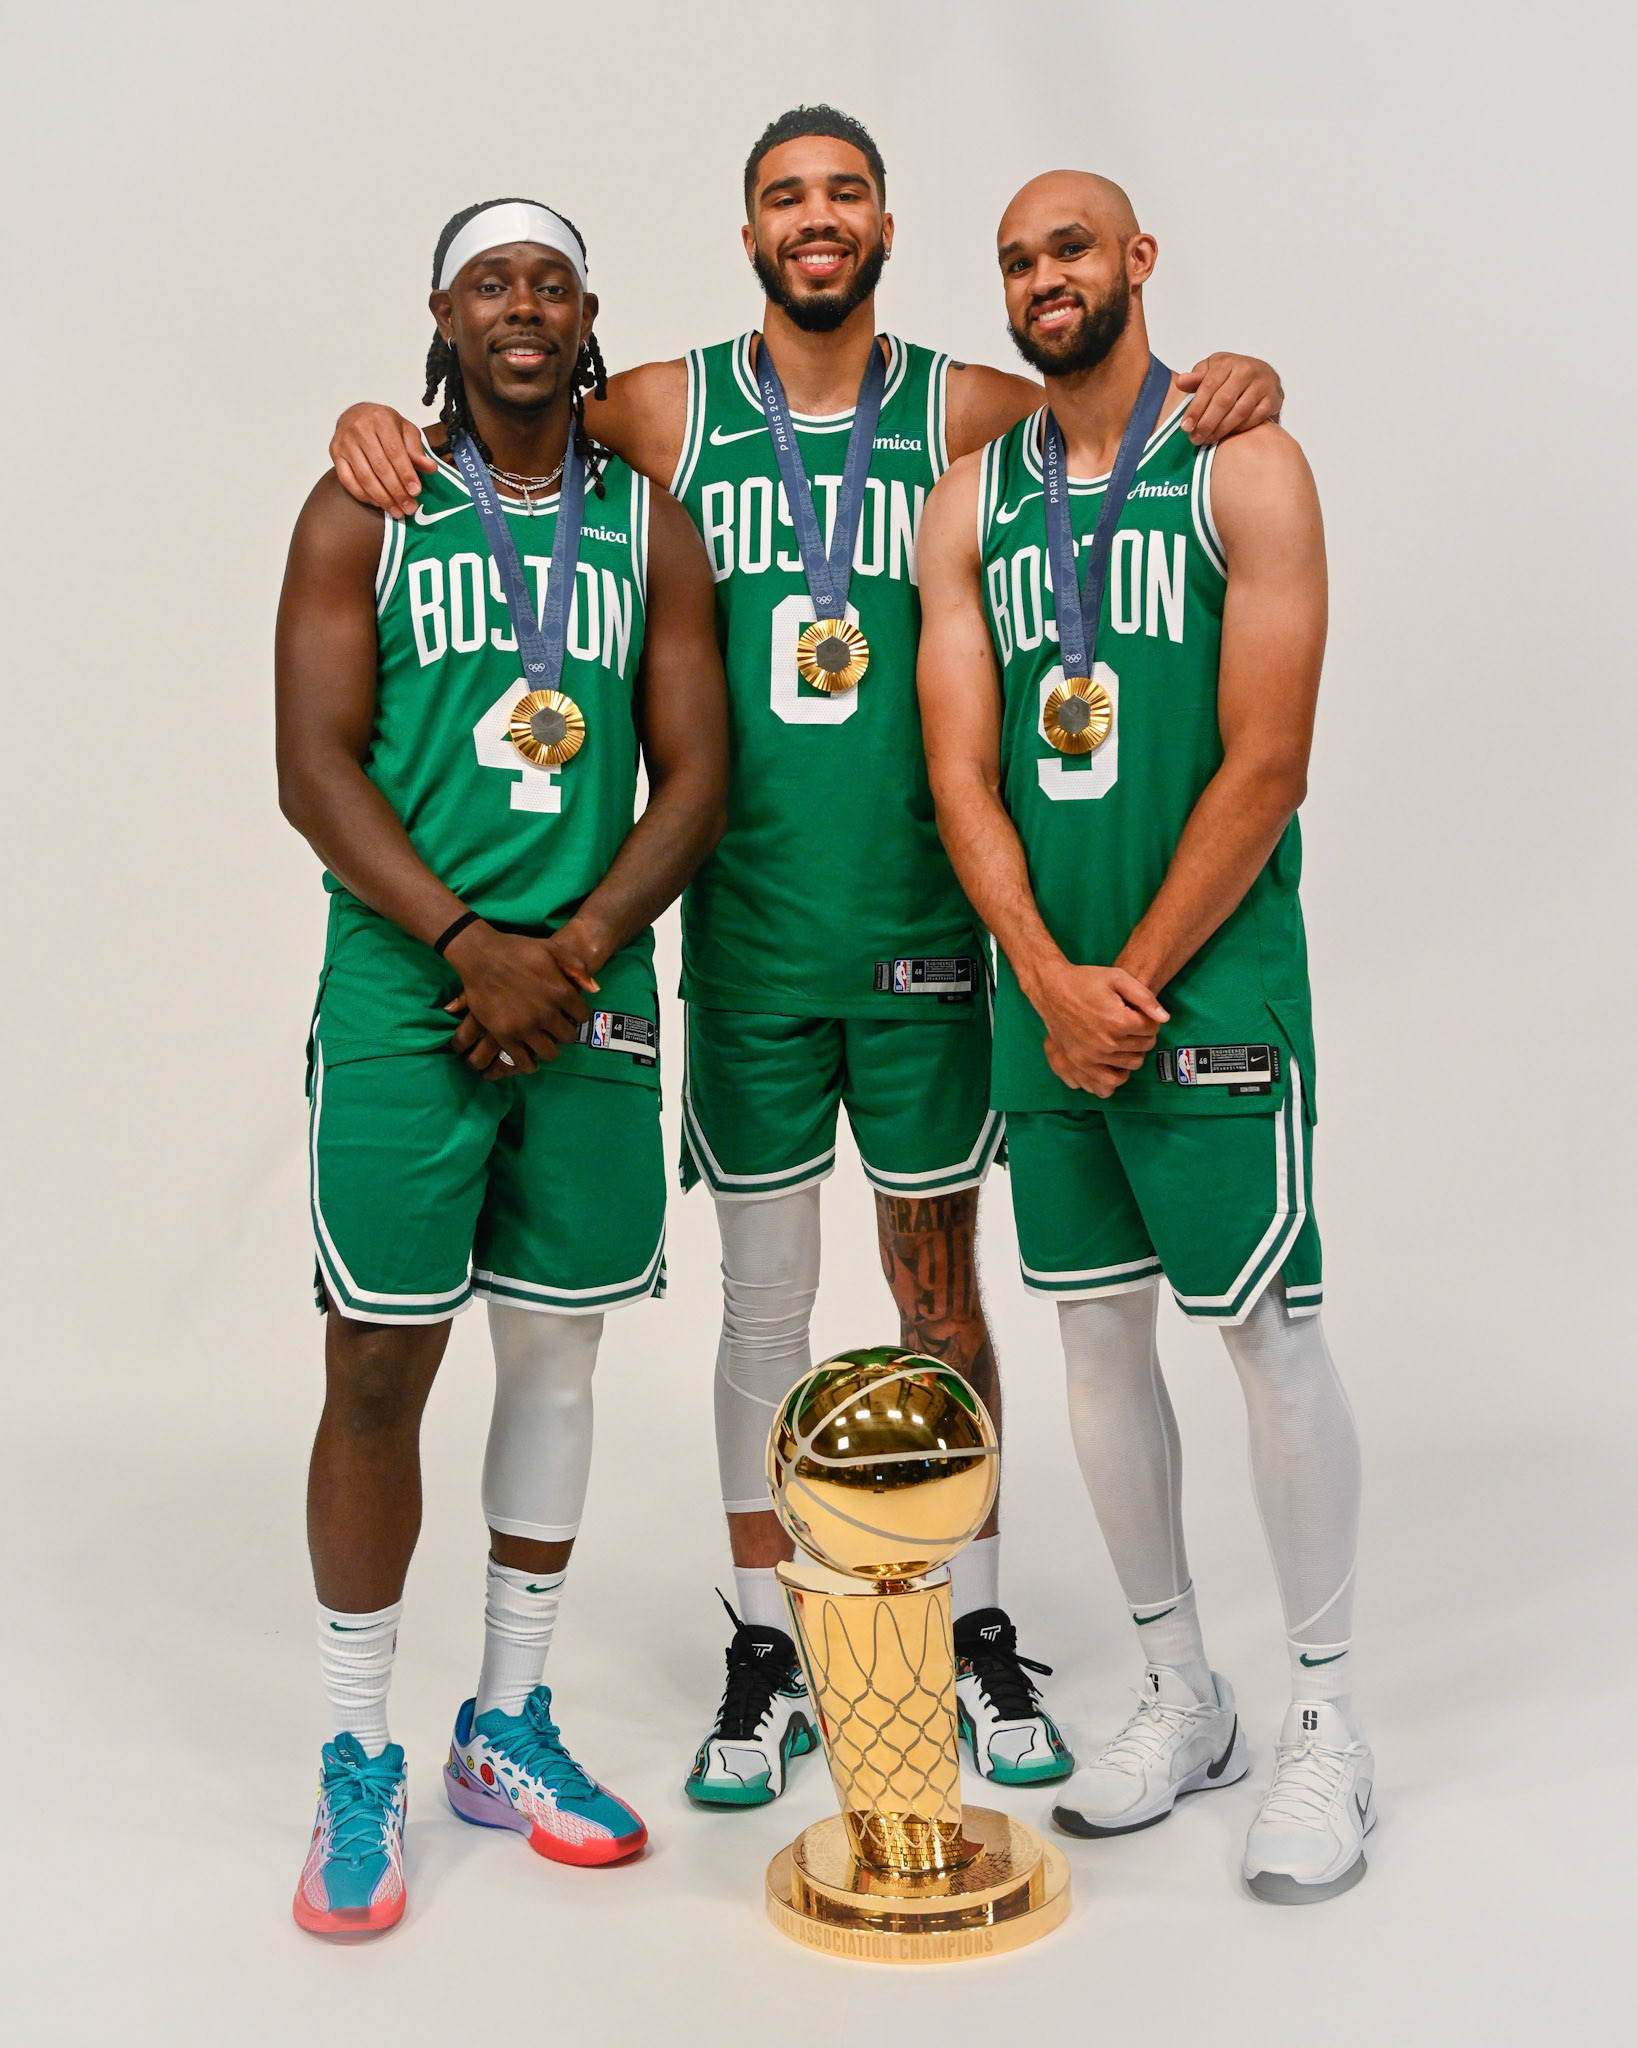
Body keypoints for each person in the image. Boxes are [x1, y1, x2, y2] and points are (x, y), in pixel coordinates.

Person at [327, 109, 1285, 1808]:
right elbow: (498, 414)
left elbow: (1114, 414)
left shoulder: (963, 412)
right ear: (749, 232)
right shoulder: (666, 410)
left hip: (929, 936)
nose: (816, 217)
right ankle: (769, 1645)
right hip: (746, 935)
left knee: (940, 1301)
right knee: (760, 1310)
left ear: (888, 228)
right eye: (786, 196)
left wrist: (1236, 383)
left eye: (845, 193)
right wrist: (375, 428)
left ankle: (968, 1626)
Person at [915, 171, 1372, 1904]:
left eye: (1072, 248)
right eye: (1018, 259)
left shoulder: (1241, 461)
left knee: (1265, 1332)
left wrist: (1131, 978)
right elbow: (959, 767)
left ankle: (1326, 1719)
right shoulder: (968, 504)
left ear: (1136, 263)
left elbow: (1269, 758)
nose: (1045, 277)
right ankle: (1183, 1691)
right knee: (1095, 1341)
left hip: (1208, 985)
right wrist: (1045, 974)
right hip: (1047, 997)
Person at [275, 198, 728, 1934]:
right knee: (378, 1362)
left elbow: (696, 773)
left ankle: (505, 1724)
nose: (523, 306)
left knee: (555, 1355)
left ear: (587, 317)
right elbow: (314, 766)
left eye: (550, 283)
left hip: (588, 991)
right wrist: (473, 945)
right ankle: (354, 1748)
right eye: (491, 283)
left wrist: (574, 948)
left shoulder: (648, 525)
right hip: (414, 986)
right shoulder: (364, 504)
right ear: (444, 315)